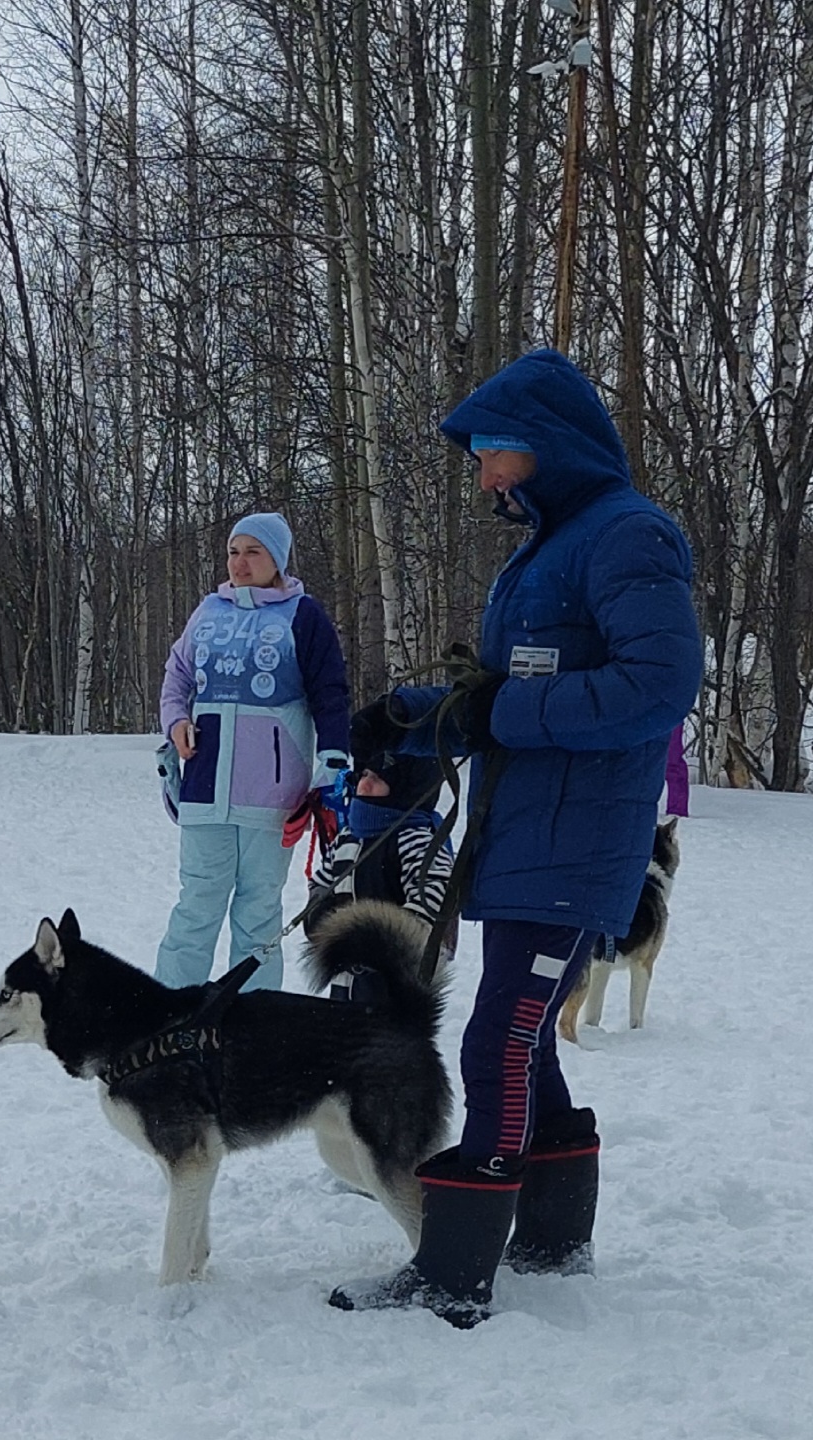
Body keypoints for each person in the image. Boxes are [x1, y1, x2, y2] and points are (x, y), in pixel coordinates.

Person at [332, 348, 700, 1327]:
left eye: (495, 453)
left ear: (547, 446)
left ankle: (456, 1270)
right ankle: (550, 1232)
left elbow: (655, 690)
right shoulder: (549, 549)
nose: (485, 476)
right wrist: (407, 718)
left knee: (499, 1036)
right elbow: (494, 698)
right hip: (528, 835)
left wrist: (504, 714)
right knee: (524, 1043)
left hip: (579, 841)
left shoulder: (629, 537)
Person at [155, 512, 350, 993]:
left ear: (277, 559)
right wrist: (176, 720)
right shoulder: (208, 611)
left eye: (253, 552)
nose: (239, 563)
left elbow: (331, 694)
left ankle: (254, 1021)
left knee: (258, 910)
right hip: (204, 786)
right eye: (233, 552)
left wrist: (333, 763)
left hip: (273, 792)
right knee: (197, 904)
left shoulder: (304, 615)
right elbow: (176, 675)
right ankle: (168, 1015)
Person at [302, 750, 455, 998]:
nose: (365, 784)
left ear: (405, 790)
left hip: (399, 987)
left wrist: (375, 947)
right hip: (344, 983)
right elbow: (320, 889)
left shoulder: (419, 840)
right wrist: (322, 925)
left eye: (379, 779)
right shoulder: (347, 838)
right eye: (364, 774)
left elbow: (434, 904)